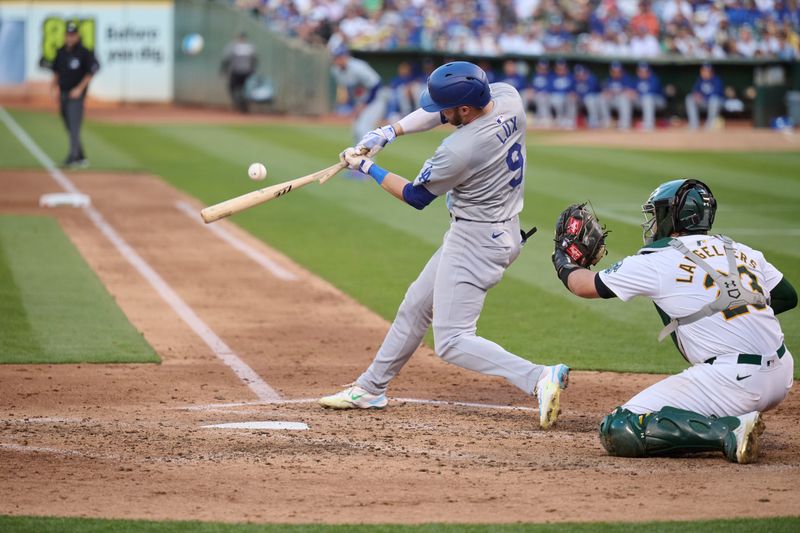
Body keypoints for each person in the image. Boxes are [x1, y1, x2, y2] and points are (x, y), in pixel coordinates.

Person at [319, 61, 570, 429]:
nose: (439, 112)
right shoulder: (507, 98)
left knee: (452, 341)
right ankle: (371, 388)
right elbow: (442, 113)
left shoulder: (462, 148)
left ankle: (537, 377)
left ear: (464, 110)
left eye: (447, 108)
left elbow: (415, 196)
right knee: (416, 306)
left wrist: (365, 167)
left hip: (477, 241)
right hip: (496, 229)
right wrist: (389, 131)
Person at [551, 179, 795, 463]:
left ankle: (729, 431)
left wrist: (562, 258)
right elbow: (787, 296)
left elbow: (584, 285)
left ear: (671, 216)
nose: (653, 223)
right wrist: (734, 319)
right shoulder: (740, 250)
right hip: (782, 375)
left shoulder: (657, 259)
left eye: (656, 214)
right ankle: (736, 413)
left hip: (733, 383)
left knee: (620, 426)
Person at [51, 21, 99, 168]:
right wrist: (53, 87)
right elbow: (56, 72)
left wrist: (79, 89)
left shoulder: (84, 52)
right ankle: (81, 156)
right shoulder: (61, 52)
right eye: (68, 35)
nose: (70, 38)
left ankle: (73, 157)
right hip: (63, 94)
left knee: (74, 126)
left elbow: (92, 71)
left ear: (77, 36)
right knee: (68, 125)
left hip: (76, 96)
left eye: (73, 35)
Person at [330, 46, 387, 144]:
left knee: (364, 129)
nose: (339, 60)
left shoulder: (358, 67)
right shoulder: (336, 71)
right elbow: (350, 90)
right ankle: (357, 158)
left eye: (341, 57)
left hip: (375, 99)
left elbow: (376, 84)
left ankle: (369, 159)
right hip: (361, 101)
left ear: (347, 57)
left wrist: (364, 105)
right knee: (356, 131)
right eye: (336, 58)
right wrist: (355, 106)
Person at [220, 32, 257, 113]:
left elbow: (226, 59)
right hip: (247, 72)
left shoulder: (233, 47)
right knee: (244, 90)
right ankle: (243, 105)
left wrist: (223, 70)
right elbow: (254, 59)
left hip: (236, 72)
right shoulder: (250, 47)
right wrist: (253, 70)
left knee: (232, 88)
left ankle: (239, 103)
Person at [685, 63, 725, 130]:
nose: (705, 72)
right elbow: (695, 91)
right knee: (689, 98)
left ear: (711, 72)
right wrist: (696, 96)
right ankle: (694, 124)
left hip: (717, 104)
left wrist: (703, 97)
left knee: (714, 100)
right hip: (704, 102)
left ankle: (710, 123)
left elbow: (716, 94)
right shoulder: (700, 80)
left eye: (707, 71)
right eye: (703, 71)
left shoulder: (717, 80)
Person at [599, 61, 636, 130]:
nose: (616, 73)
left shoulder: (627, 79)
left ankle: (625, 123)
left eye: (618, 71)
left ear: (621, 71)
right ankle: (607, 121)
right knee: (602, 97)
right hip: (613, 100)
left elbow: (632, 93)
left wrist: (621, 92)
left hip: (626, 101)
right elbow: (604, 91)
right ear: (611, 71)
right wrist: (607, 93)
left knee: (623, 98)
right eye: (614, 71)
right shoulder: (608, 80)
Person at [633, 62, 664, 131]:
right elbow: (632, 92)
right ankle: (624, 125)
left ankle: (649, 125)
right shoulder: (636, 80)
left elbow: (651, 92)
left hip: (658, 101)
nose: (642, 73)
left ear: (649, 72)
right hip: (642, 101)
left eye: (645, 71)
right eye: (640, 71)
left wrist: (637, 94)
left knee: (647, 98)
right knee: (625, 98)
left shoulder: (654, 79)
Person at [549, 59, 577, 129]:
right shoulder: (552, 77)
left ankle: (570, 119)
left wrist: (572, 93)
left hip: (567, 96)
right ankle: (560, 119)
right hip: (555, 96)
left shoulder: (571, 77)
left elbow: (574, 89)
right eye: (559, 68)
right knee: (557, 100)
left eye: (562, 68)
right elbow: (549, 89)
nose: (561, 70)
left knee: (571, 98)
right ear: (556, 69)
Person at [574, 64, 602, 129]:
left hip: (594, 100)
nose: (580, 75)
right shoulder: (574, 80)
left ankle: (594, 120)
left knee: (589, 99)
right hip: (580, 100)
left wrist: (579, 95)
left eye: (582, 73)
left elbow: (592, 91)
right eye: (578, 73)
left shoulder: (591, 79)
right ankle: (569, 119)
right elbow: (571, 91)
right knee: (571, 98)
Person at [527, 60, 553, 127]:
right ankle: (523, 117)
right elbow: (530, 86)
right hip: (535, 95)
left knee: (541, 97)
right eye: (541, 68)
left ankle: (544, 118)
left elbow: (551, 88)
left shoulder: (550, 76)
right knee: (524, 96)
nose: (542, 70)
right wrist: (530, 92)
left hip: (547, 95)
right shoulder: (534, 76)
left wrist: (542, 92)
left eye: (544, 68)